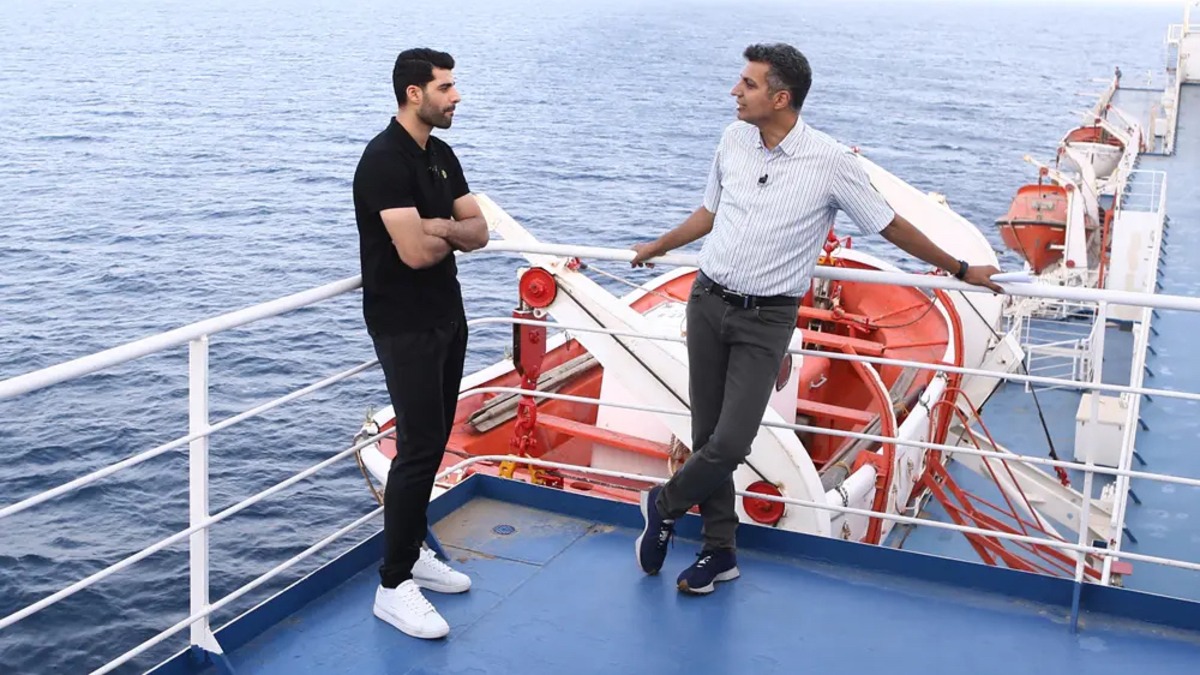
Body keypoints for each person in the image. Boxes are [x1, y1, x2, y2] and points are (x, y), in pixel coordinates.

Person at [629, 43, 1002, 595]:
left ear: (781, 98)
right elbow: (710, 212)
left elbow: (889, 224)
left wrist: (961, 268)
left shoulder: (831, 162)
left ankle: (663, 505)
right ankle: (719, 551)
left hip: (766, 318)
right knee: (706, 435)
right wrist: (658, 246)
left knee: (731, 442)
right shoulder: (733, 139)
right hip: (707, 302)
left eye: (748, 84)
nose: (735, 91)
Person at [352, 47, 489, 639]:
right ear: (415, 93)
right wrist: (438, 232)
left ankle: (411, 551)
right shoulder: (384, 160)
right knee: (416, 448)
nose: (456, 96)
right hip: (403, 322)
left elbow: (480, 232)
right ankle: (392, 585)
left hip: (447, 315)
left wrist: (439, 227)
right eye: (446, 87)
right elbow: (413, 253)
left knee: (432, 444)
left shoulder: (440, 154)